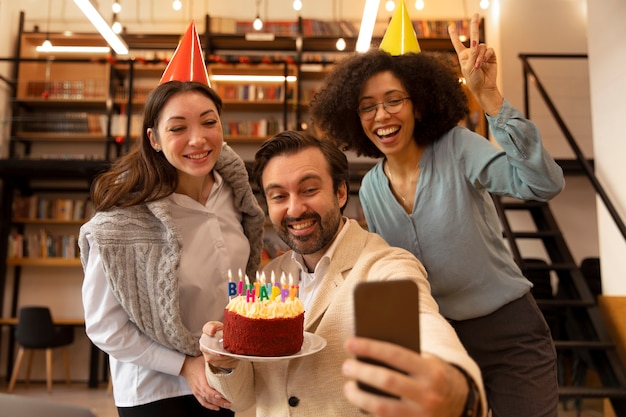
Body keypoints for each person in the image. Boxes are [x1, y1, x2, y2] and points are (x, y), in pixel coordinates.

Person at [309, 9, 563, 417]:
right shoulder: (371, 186)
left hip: (508, 334)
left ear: (421, 106)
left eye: (394, 100)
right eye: (367, 106)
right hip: (434, 341)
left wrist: (491, 98)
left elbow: (542, 183)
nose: (381, 116)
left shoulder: (458, 147)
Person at [200, 131, 486, 417]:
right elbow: (242, 399)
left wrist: (456, 388)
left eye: (309, 190)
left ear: (339, 193)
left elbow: (423, 324)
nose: (295, 208)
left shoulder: (383, 267)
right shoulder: (269, 278)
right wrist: (225, 363)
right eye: (278, 196)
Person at [78, 22, 265, 417]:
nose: (198, 139)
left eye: (209, 122)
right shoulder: (123, 220)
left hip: (225, 379)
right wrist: (184, 365)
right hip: (156, 392)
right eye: (178, 128)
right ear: (154, 140)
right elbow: (103, 325)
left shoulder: (237, 196)